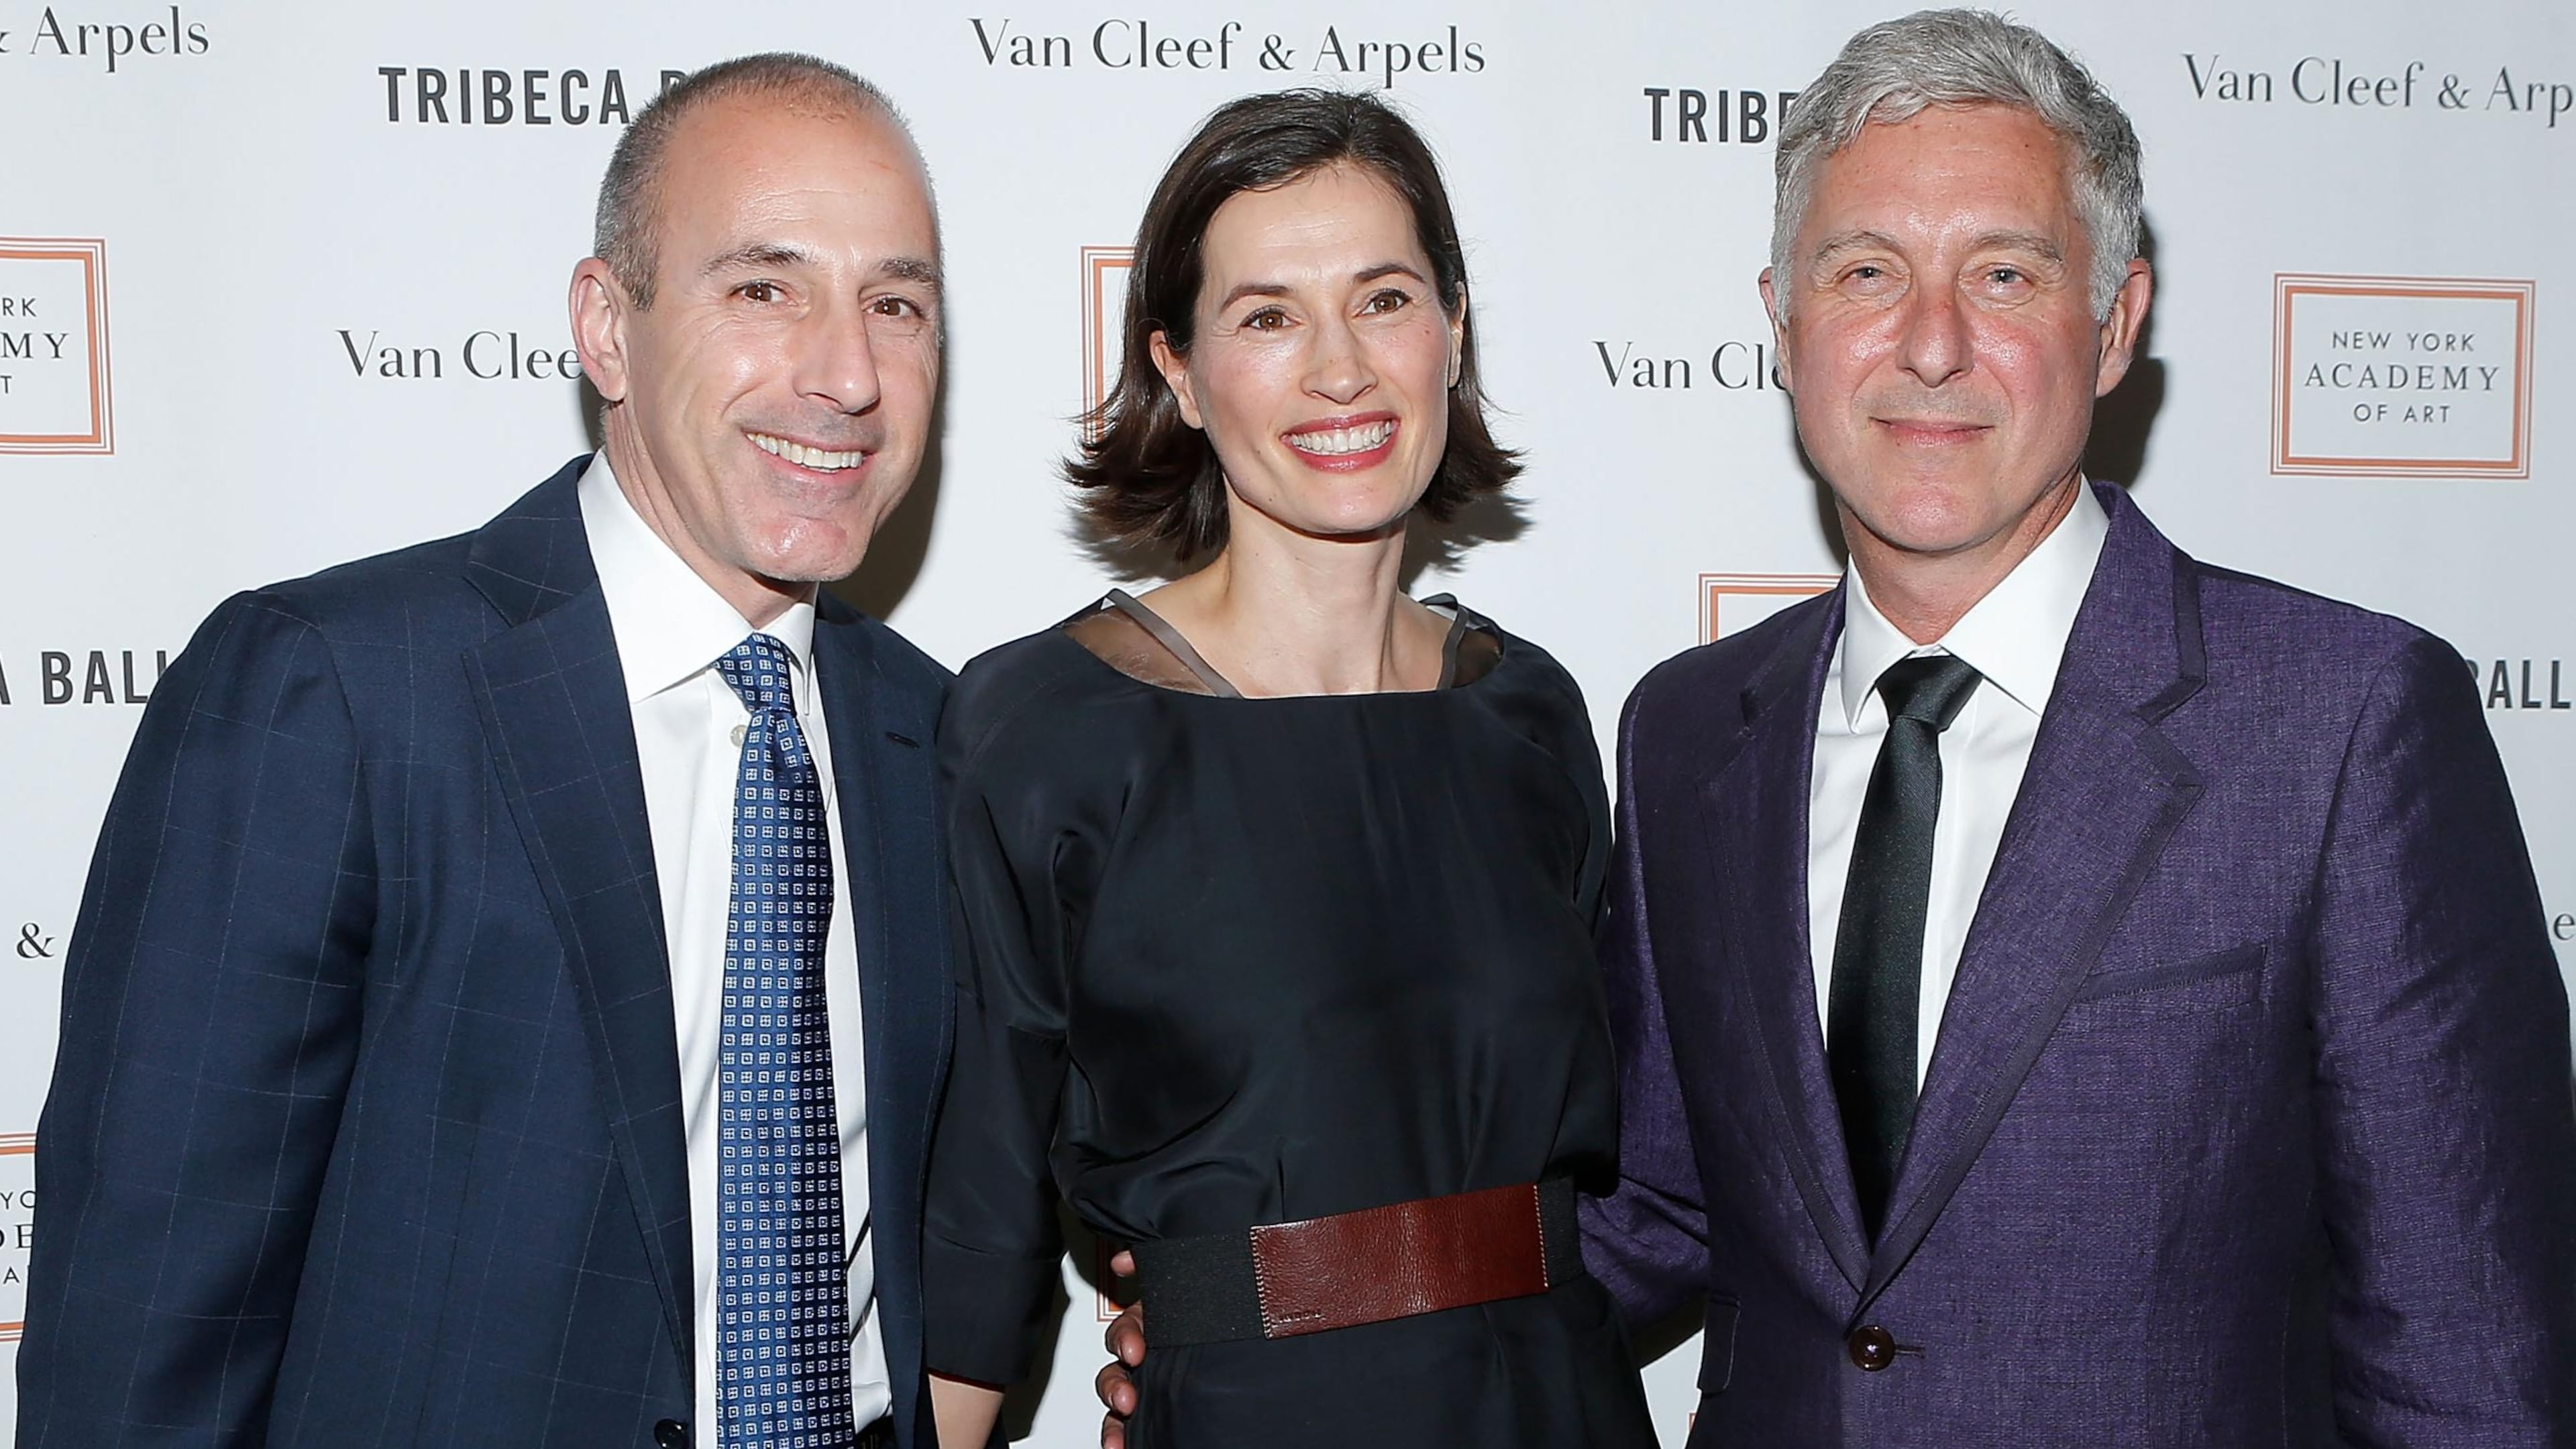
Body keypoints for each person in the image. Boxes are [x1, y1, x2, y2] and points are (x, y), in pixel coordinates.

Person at [1103, 11, 2576, 1445]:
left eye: (2005, 273)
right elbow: (1652, 1212)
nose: (1930, 346)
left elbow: (2467, 1354)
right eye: (1866, 270)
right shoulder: (1689, 734)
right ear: (1784, 321)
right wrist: (1282, 1325)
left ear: (2116, 323)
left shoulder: (2342, 724)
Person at [19, 54, 956, 1449]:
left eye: (896, 304)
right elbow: (146, 1337)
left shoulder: (933, 736)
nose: (846, 372)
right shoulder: (332, 691)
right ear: (606, 328)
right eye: (764, 288)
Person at [920, 89, 1656, 1449]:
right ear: (1183, 375)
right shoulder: (1043, 727)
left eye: (1384, 300)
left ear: (1452, 334)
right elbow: (975, 1227)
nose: (1341, 370)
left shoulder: (1534, 719)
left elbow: (1623, 1179)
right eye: (1268, 316)